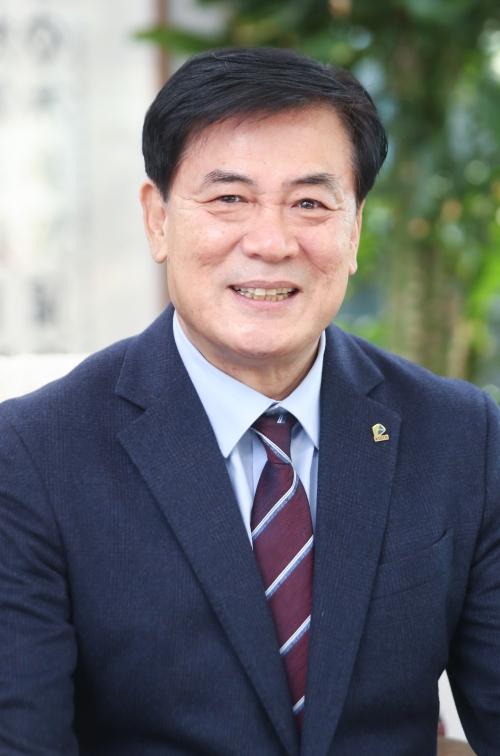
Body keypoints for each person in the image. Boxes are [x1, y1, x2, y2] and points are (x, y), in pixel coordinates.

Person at [0, 46, 498, 756]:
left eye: (310, 203)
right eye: (229, 199)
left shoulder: (460, 436)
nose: (270, 242)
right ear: (157, 219)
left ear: (355, 229)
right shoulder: (33, 455)